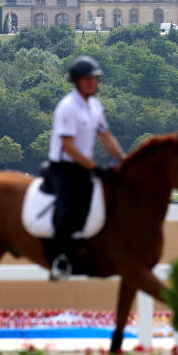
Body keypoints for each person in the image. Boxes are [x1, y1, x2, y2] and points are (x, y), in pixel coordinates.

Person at [47, 56, 125, 279]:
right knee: (71, 210)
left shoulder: (95, 106)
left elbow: (106, 137)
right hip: (64, 168)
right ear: (77, 82)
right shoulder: (68, 107)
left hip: (83, 167)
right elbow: (68, 147)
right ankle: (60, 260)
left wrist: (124, 158)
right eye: (88, 79)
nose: (93, 83)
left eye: (95, 79)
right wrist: (94, 167)